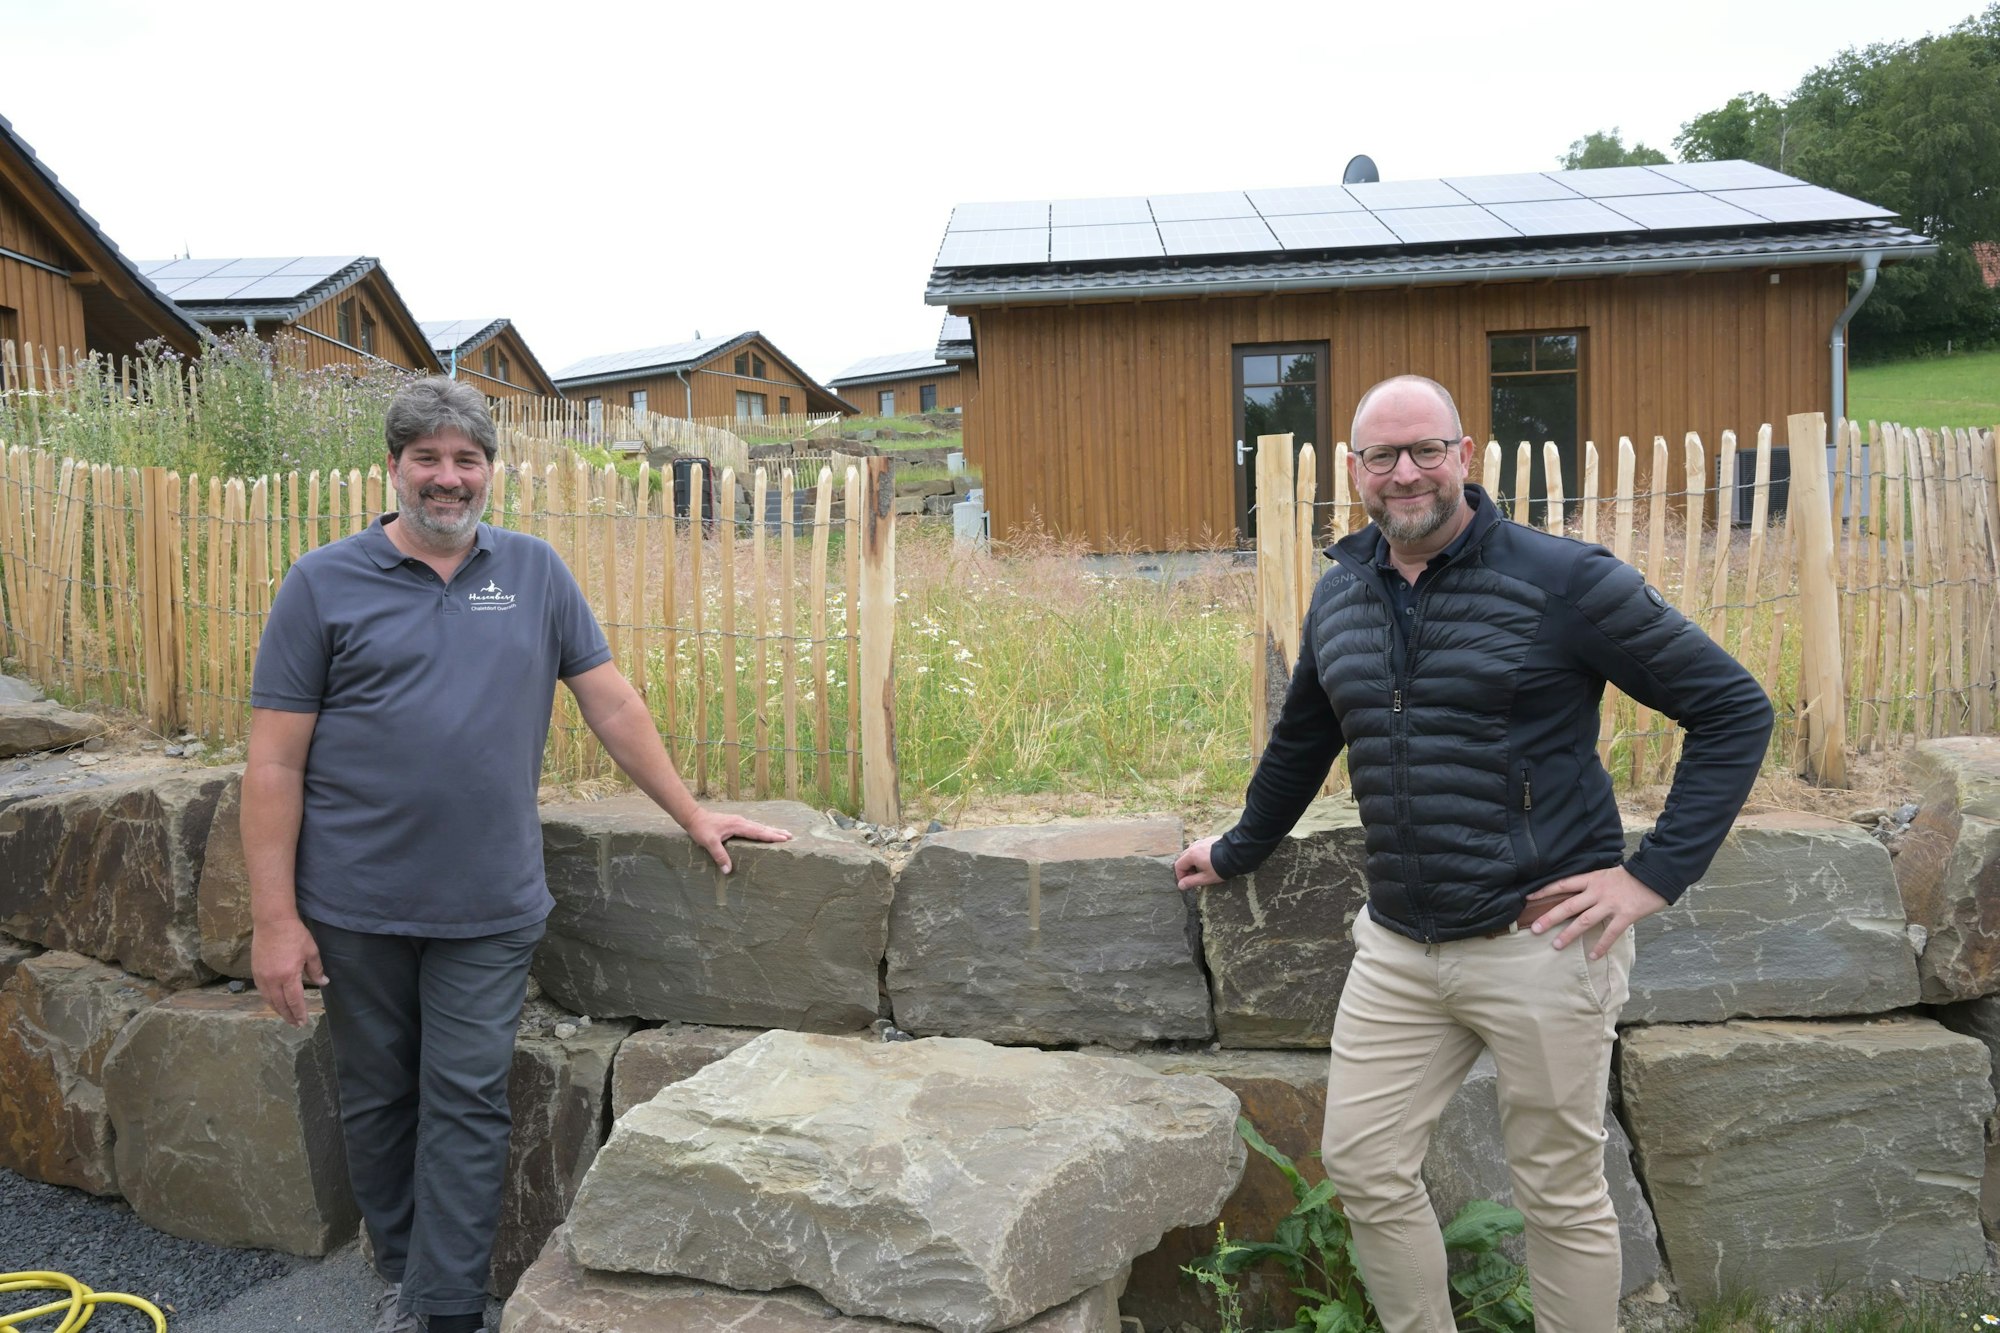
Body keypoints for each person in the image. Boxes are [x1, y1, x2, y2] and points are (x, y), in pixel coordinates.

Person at [1174, 374, 1771, 1333]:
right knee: (1366, 1168)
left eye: (1425, 450)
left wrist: (1652, 874)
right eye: (1382, 456)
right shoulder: (1341, 593)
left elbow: (1734, 709)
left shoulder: (1568, 581)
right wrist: (1239, 848)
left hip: (1541, 941)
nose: (1405, 473)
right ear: (1356, 472)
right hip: (1400, 946)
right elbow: (1302, 742)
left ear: (1466, 454)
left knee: (1558, 1192)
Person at [242, 377, 790, 1333]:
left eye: (467, 460)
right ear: (394, 468)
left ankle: (441, 1311)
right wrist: (275, 920)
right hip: (355, 904)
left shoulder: (534, 571)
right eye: (428, 459)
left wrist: (692, 814)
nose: (448, 479)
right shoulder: (321, 581)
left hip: (490, 904)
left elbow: (612, 702)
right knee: (376, 1100)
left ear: (492, 470)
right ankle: (405, 1273)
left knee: (464, 1102)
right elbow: (274, 762)